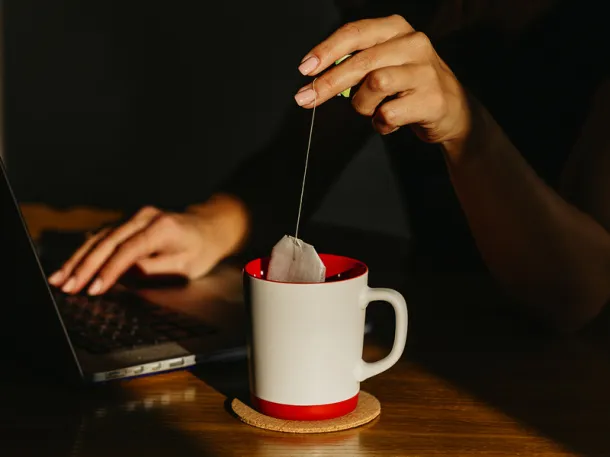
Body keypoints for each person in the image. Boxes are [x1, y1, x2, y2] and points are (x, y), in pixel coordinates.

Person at [48, 0, 610, 333]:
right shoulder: (401, 4)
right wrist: (204, 225)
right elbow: (295, 166)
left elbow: (579, 294)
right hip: (435, 324)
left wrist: (467, 131)